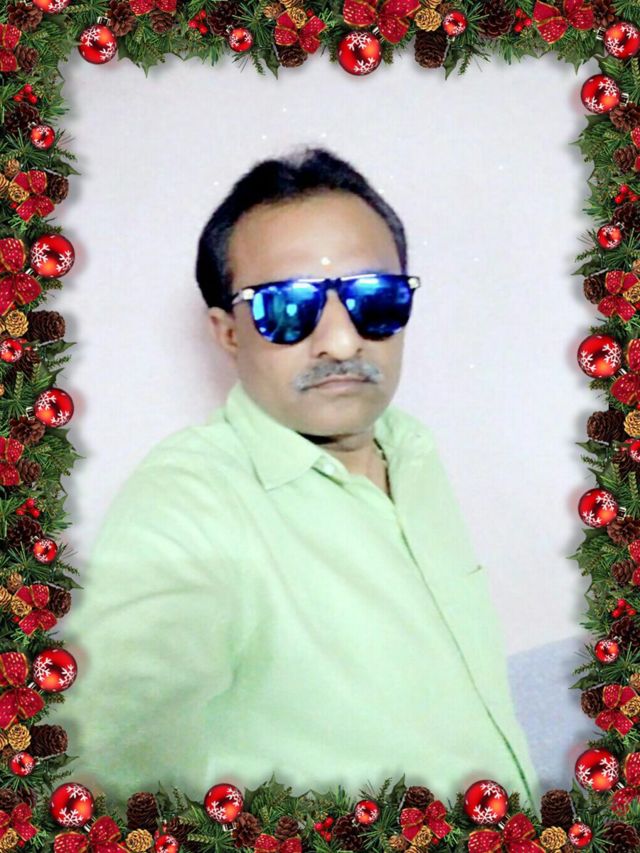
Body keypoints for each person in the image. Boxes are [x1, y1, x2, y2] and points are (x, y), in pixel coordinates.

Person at [48, 145, 540, 815]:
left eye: (374, 298)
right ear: (227, 332)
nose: (342, 340)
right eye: (287, 306)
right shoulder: (190, 501)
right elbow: (100, 767)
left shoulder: (412, 450)